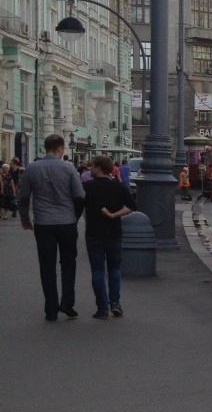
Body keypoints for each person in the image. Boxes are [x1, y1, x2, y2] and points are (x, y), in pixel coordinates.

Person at [18, 134, 85, 322]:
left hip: (43, 223)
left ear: (44, 148)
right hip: (67, 223)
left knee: (47, 266)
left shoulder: (32, 169)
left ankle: (51, 309)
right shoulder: (69, 168)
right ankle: (67, 303)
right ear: (60, 149)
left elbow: (23, 198)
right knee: (68, 263)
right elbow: (79, 197)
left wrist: (25, 219)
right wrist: (74, 217)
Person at [82, 155, 136, 319]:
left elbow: (77, 204)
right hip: (114, 233)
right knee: (114, 270)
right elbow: (132, 206)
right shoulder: (118, 187)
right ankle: (115, 303)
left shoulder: (87, 187)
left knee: (98, 271)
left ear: (98, 168)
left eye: (92, 166)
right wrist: (114, 215)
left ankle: (102, 308)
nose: (90, 169)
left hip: (94, 233)